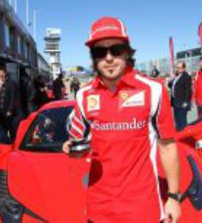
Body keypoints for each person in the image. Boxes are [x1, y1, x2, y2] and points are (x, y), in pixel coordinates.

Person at [63, 17, 181, 223]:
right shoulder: (83, 95)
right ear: (93, 57)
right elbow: (79, 146)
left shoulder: (154, 90)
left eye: (116, 49)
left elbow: (168, 146)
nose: (108, 58)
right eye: (100, 52)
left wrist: (173, 196)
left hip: (142, 206)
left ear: (127, 51)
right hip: (98, 206)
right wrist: (71, 149)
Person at [168, 61, 192, 130]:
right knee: (177, 119)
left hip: (182, 102)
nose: (178, 69)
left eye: (180, 68)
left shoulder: (186, 77)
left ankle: (184, 135)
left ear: (184, 68)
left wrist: (186, 103)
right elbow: (171, 86)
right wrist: (171, 80)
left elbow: (188, 91)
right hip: (175, 101)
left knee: (182, 121)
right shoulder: (176, 76)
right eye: (177, 67)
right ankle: (178, 133)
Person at [0, 63, 17, 140]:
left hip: (7, 110)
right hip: (0, 110)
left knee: (10, 128)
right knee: (2, 129)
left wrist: (10, 110)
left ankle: (14, 142)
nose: (0, 75)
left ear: (5, 73)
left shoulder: (11, 83)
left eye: (1, 73)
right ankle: (4, 143)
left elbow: (13, 98)